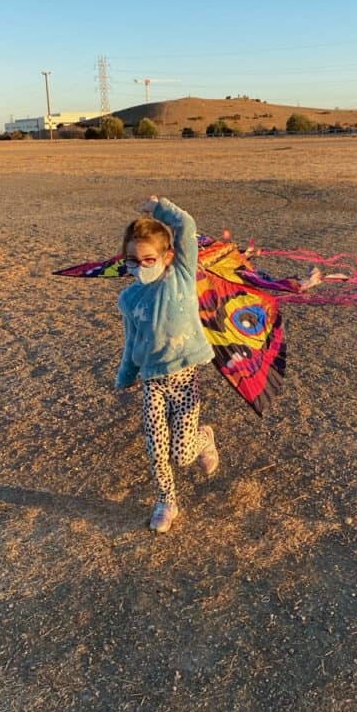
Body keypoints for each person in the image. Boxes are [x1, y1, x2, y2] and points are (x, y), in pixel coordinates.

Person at [115, 195, 219, 534]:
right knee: (156, 447)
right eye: (133, 260)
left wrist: (158, 207)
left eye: (148, 259)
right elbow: (132, 340)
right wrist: (125, 374)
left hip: (185, 379)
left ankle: (205, 438)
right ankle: (166, 500)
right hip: (152, 382)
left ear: (166, 257)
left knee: (183, 454)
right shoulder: (129, 298)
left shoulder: (181, 276)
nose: (140, 266)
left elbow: (186, 227)